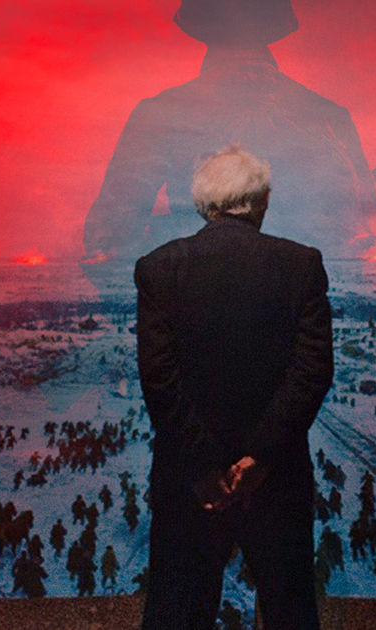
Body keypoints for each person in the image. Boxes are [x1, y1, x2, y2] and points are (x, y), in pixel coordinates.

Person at [136, 145, 333, 630]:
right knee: (289, 613)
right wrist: (260, 456)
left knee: (177, 614)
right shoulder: (301, 265)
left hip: (189, 484)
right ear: (262, 200)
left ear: (204, 204)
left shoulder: (159, 268)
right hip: (278, 480)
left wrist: (205, 465)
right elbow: (311, 371)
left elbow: (160, 379)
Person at [82, 0, 376, 289]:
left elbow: (110, 237)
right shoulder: (330, 117)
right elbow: (371, 232)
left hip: (197, 294)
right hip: (306, 296)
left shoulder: (160, 114)